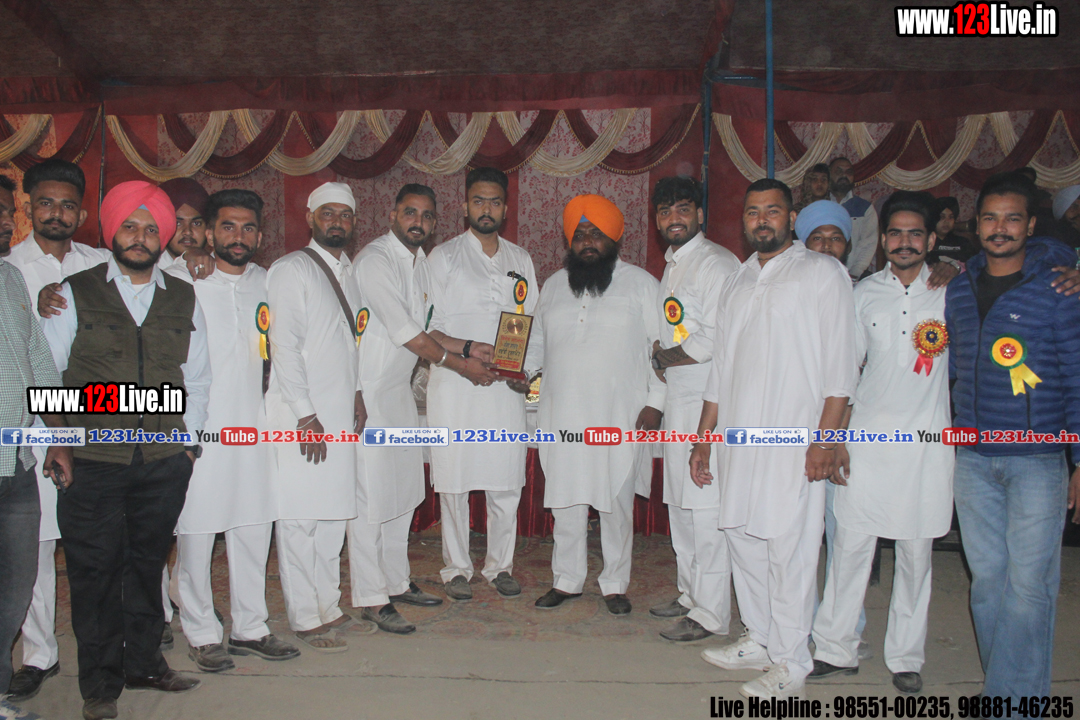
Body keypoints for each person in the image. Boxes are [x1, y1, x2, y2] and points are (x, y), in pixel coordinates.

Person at [40, 180, 211, 720]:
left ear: (165, 237)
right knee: (94, 571)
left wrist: (187, 444)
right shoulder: (73, 292)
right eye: (130, 227)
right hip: (92, 458)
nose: (140, 237)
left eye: (152, 229)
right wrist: (61, 441)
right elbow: (49, 372)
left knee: (146, 565)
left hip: (162, 460)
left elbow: (198, 377)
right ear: (112, 231)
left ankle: (144, 664)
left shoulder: (183, 296)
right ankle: (99, 685)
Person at [690, 178, 858, 699]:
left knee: (790, 549)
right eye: (753, 212)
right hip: (738, 439)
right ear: (742, 220)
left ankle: (792, 661)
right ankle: (761, 639)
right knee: (742, 537)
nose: (762, 220)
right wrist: (703, 438)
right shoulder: (738, 281)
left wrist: (825, 441)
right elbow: (721, 369)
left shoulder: (822, 272)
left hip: (794, 440)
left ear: (792, 218)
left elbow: (841, 367)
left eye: (772, 211)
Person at [809, 191, 955, 695]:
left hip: (926, 445)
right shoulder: (864, 293)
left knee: (916, 556)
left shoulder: (951, 292)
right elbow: (845, 372)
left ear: (931, 240)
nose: (904, 242)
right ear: (882, 240)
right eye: (895, 233)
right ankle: (835, 649)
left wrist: (957, 270)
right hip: (866, 441)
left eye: (916, 233)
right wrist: (837, 439)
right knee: (850, 545)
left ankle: (906, 658)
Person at [945, 172, 1080, 702]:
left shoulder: (1058, 289)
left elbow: (1077, 376)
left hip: (1037, 460)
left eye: (1012, 219)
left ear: (1030, 225)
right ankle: (1007, 693)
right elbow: (952, 367)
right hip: (973, 460)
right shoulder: (958, 289)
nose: (1000, 228)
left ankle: (1014, 704)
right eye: (990, 218)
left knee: (1029, 587)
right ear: (975, 224)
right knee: (987, 584)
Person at [347, 183, 494, 634]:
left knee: (402, 492)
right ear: (393, 214)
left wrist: (470, 347)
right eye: (410, 212)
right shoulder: (375, 261)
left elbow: (430, 329)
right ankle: (371, 596)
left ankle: (395, 581)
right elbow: (408, 334)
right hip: (368, 392)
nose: (419, 222)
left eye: (427, 216)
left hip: (399, 392)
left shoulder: (421, 265)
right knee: (371, 498)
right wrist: (461, 366)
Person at [170, 190, 300, 672]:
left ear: (260, 236)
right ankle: (201, 632)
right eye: (227, 226)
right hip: (197, 427)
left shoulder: (268, 283)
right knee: (196, 529)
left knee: (253, 525)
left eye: (248, 228)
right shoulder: (180, 278)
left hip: (255, 426)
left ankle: (251, 627)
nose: (238, 237)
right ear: (208, 232)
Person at [531, 194, 664, 616]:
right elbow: (535, 345)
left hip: (618, 415)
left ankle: (614, 583)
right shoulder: (553, 285)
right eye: (580, 234)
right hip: (562, 414)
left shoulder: (642, 284)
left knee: (615, 502)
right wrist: (522, 375)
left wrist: (656, 403)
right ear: (569, 241)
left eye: (596, 233)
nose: (587, 240)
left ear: (615, 238)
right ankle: (566, 580)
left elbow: (661, 350)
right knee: (565, 502)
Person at [3, 159, 101, 703]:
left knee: (105, 530)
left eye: (67, 205)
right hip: (33, 422)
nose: (56, 213)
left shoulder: (100, 261)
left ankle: (127, 634)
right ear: (27, 208)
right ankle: (40, 652)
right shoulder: (12, 267)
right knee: (35, 544)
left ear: (81, 213)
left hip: (99, 413)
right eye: (45, 202)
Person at [420, 167, 537, 602]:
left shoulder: (520, 260)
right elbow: (427, 327)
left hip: (504, 389)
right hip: (454, 383)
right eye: (478, 201)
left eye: (494, 202)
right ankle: (456, 568)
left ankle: (500, 566)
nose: (486, 208)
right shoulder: (443, 257)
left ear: (505, 209)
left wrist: (524, 372)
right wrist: (466, 355)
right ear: (464, 206)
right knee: (454, 479)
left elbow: (530, 324)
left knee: (505, 478)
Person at [265, 182, 368, 652]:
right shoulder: (292, 269)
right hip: (300, 416)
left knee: (332, 514)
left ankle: (329, 604)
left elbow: (351, 343)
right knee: (300, 517)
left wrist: (357, 392)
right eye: (328, 213)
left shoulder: (350, 272)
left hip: (340, 414)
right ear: (310, 218)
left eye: (345, 215)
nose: (337, 222)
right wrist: (306, 416)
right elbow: (283, 346)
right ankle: (305, 616)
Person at [647, 177, 739, 642]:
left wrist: (664, 357)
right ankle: (689, 593)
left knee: (705, 510)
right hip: (678, 401)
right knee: (680, 505)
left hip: (709, 403)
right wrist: (661, 360)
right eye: (665, 211)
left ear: (700, 214)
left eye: (683, 209)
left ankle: (711, 613)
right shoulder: (674, 265)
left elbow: (716, 337)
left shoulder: (715, 263)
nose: (674, 218)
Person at [0, 173, 63, 720]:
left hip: (20, 460)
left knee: (16, 585)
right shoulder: (18, 270)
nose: (6, 222)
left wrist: (60, 436)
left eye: (6, 211)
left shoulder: (9, 277)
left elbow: (38, 360)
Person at [828, 157, 879, 280]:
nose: (844, 175)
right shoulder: (819, 205)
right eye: (839, 171)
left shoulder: (865, 208)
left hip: (853, 276)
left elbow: (868, 244)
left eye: (849, 172)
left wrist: (854, 274)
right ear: (829, 175)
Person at [158, 177, 210, 272]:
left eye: (196, 223)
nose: (187, 232)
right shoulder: (147, 270)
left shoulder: (219, 269)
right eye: (178, 223)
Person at [926, 196, 976, 265]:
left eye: (951, 217)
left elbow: (973, 265)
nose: (947, 221)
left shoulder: (963, 242)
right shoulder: (926, 241)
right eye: (942, 217)